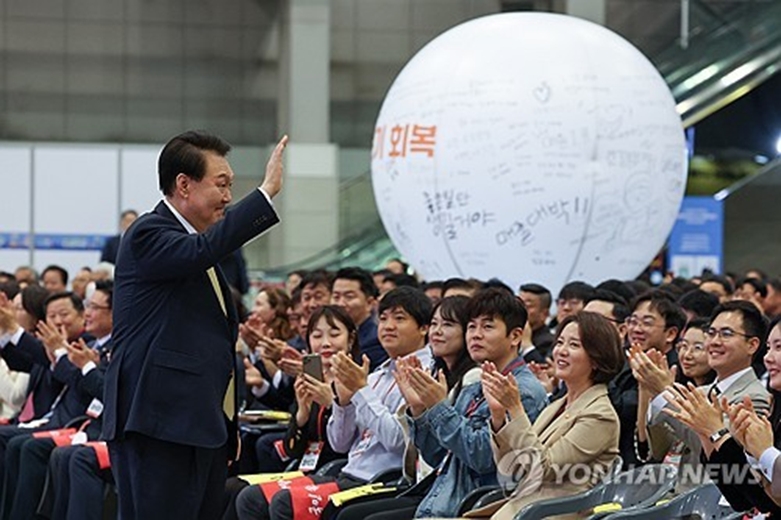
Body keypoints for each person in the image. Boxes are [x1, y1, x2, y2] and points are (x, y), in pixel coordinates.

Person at [102, 130, 287, 520]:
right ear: (183, 185)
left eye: (232, 187)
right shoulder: (149, 233)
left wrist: (227, 423)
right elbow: (201, 250)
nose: (228, 197)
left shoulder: (199, 251)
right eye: (222, 185)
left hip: (199, 426)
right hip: (159, 424)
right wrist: (266, 193)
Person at [235, 286, 434, 520]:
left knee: (284, 503)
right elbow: (341, 443)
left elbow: (397, 441)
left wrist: (358, 391)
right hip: (347, 472)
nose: (388, 326)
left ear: (424, 328)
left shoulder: (427, 374)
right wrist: (343, 404)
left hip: (384, 480)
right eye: (383, 318)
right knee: (248, 497)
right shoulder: (375, 375)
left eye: (399, 319)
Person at [472, 311, 623, 519]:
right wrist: (498, 415)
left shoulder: (600, 415)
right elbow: (512, 467)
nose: (561, 351)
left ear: (597, 359)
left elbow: (542, 468)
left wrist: (516, 408)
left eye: (574, 345)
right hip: (522, 507)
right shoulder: (557, 405)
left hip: (551, 513)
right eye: (560, 342)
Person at [331, 267, 386, 370]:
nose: (340, 304)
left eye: (349, 296)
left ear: (370, 303)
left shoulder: (376, 340)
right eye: (336, 297)